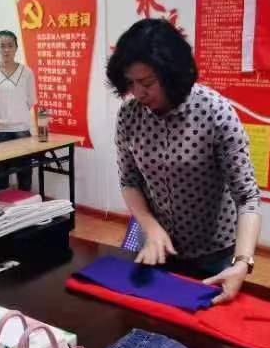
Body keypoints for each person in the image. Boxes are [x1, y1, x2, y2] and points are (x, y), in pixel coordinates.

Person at [106, 19, 261, 304]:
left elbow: (248, 197)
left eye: (147, 83)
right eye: (130, 83)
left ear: (172, 74)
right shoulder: (129, 115)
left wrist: (242, 261)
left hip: (214, 253)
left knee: (205, 325)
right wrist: (150, 226)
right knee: (147, 318)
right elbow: (129, 181)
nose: (138, 93)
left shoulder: (216, 113)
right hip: (156, 246)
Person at [0, 30, 37, 191]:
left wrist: (15, 114)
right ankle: (2, 207)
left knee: (25, 176)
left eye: (10, 46)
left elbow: (30, 101)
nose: (6, 49)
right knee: (0, 178)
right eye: (2, 46)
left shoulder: (27, 72)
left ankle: (26, 206)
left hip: (21, 131)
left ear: (16, 48)